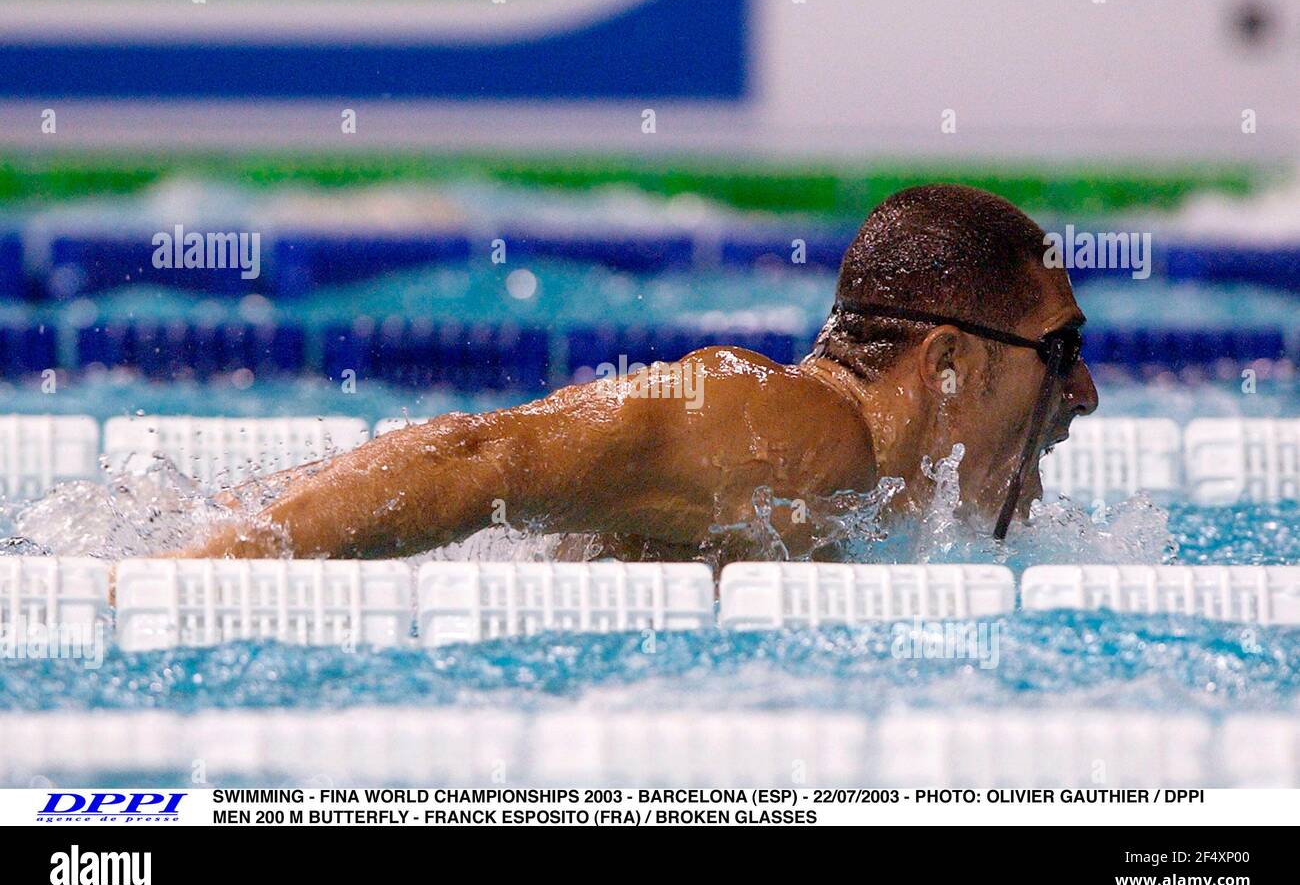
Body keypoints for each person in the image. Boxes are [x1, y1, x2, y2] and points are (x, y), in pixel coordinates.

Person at [173, 183, 1098, 563]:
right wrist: (181, 574)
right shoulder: (784, 433)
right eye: (1059, 352)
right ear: (947, 363)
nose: (1083, 395)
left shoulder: (867, 499)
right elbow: (473, 455)